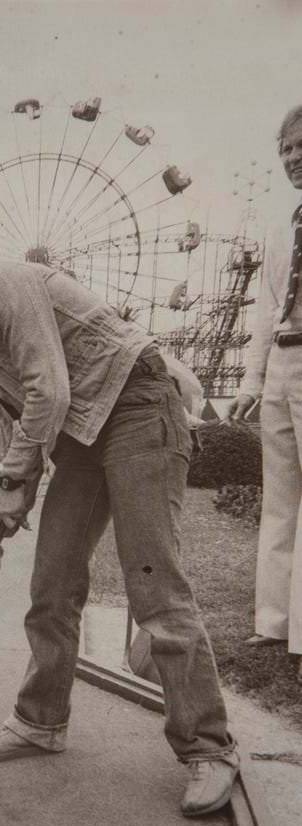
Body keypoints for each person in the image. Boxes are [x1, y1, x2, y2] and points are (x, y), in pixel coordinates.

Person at [0, 257, 239, 817]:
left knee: (153, 583)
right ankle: (41, 721)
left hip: (139, 403)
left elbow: (50, 392)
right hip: (82, 432)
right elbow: (22, 433)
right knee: (52, 580)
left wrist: (14, 483)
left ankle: (210, 747)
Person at [228, 104, 302, 679]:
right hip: (283, 360)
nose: (293, 159)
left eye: (301, 147)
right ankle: (273, 623)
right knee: (279, 499)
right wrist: (252, 379)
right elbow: (263, 309)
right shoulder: (283, 224)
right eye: (286, 151)